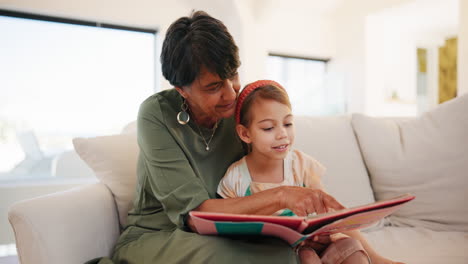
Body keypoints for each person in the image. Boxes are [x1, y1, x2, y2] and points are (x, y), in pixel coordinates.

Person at [88, 10, 353, 264]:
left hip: (227, 233)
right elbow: (196, 215)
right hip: (160, 235)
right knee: (266, 257)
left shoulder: (239, 111)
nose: (230, 93)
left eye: (233, 75)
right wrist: (282, 196)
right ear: (182, 89)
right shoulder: (155, 115)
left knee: (295, 248)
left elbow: (269, 171)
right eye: (214, 86)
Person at [217, 80, 406, 264]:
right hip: (281, 255)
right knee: (307, 256)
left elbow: (332, 214)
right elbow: (230, 231)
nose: (282, 133)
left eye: (288, 124)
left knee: (351, 246)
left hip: (318, 247)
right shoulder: (236, 177)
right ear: (245, 134)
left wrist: (376, 257)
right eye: (268, 128)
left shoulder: (301, 165)